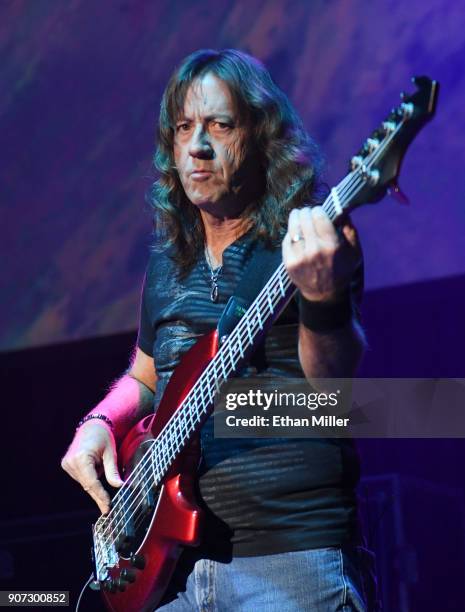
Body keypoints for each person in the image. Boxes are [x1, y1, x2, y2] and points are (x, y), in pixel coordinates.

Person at [62, 49, 379, 611]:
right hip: (174, 574)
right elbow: (147, 373)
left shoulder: (304, 239)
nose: (197, 146)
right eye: (183, 128)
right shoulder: (169, 259)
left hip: (290, 564)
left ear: (259, 135)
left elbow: (333, 391)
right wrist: (100, 423)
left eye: (219, 125)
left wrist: (324, 300)